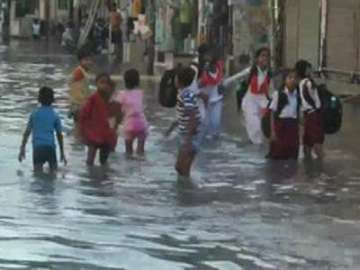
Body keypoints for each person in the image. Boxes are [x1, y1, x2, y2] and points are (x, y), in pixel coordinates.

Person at [18, 87, 67, 173]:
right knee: (53, 175)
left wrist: (22, 148)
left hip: (38, 148)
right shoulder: (55, 115)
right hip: (50, 148)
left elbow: (27, 132)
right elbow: (60, 135)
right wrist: (62, 152)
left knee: (37, 174)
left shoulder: (34, 114)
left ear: (39, 99)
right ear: (53, 100)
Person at [79, 73, 119, 166]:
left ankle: (103, 176)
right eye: (101, 82)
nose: (104, 85)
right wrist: (82, 133)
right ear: (96, 84)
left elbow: (115, 118)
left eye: (106, 83)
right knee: (90, 161)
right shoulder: (92, 99)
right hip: (93, 135)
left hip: (106, 136)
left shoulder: (111, 100)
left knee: (104, 162)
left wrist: (113, 135)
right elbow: (84, 115)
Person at [112, 69, 148, 157]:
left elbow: (117, 111)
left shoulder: (121, 94)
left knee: (128, 152)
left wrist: (115, 126)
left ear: (124, 81)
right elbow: (141, 107)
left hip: (129, 125)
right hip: (142, 124)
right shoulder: (140, 93)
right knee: (141, 152)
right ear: (138, 81)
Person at [241, 47, 274, 145]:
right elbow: (235, 78)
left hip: (263, 101)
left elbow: (271, 90)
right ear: (257, 58)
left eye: (267, 56)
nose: (265, 58)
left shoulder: (269, 73)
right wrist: (223, 84)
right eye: (263, 56)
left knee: (261, 127)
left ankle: (256, 146)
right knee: (254, 125)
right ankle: (254, 149)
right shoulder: (250, 71)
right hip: (250, 101)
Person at [295, 60, 325, 160]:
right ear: (304, 70)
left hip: (307, 114)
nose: (310, 70)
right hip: (314, 114)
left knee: (307, 142)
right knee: (317, 141)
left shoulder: (300, 82)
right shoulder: (308, 82)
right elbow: (314, 100)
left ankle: (308, 167)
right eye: (308, 68)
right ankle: (321, 167)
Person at [268, 69, 300, 160]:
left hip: (293, 127)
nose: (293, 80)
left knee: (292, 155)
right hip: (280, 127)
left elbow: (299, 115)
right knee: (278, 155)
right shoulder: (278, 94)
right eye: (290, 78)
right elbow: (272, 113)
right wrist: (273, 132)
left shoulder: (298, 95)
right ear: (285, 80)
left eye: (295, 78)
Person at [175, 67, 201, 179]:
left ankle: (187, 191)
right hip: (188, 135)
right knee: (182, 168)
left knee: (181, 167)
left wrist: (188, 139)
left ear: (179, 81)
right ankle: (187, 189)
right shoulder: (186, 94)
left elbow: (192, 115)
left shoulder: (186, 95)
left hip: (189, 136)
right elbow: (183, 115)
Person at [198, 54, 225, 140]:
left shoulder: (219, 67)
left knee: (215, 123)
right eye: (205, 62)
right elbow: (198, 86)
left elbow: (220, 80)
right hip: (204, 101)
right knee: (204, 123)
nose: (207, 64)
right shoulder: (202, 74)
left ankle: (215, 138)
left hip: (217, 99)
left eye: (209, 62)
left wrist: (222, 85)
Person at [68, 49, 92, 122]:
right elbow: (73, 85)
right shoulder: (79, 72)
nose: (88, 62)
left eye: (89, 60)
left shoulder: (83, 71)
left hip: (80, 104)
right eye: (86, 60)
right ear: (80, 61)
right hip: (79, 105)